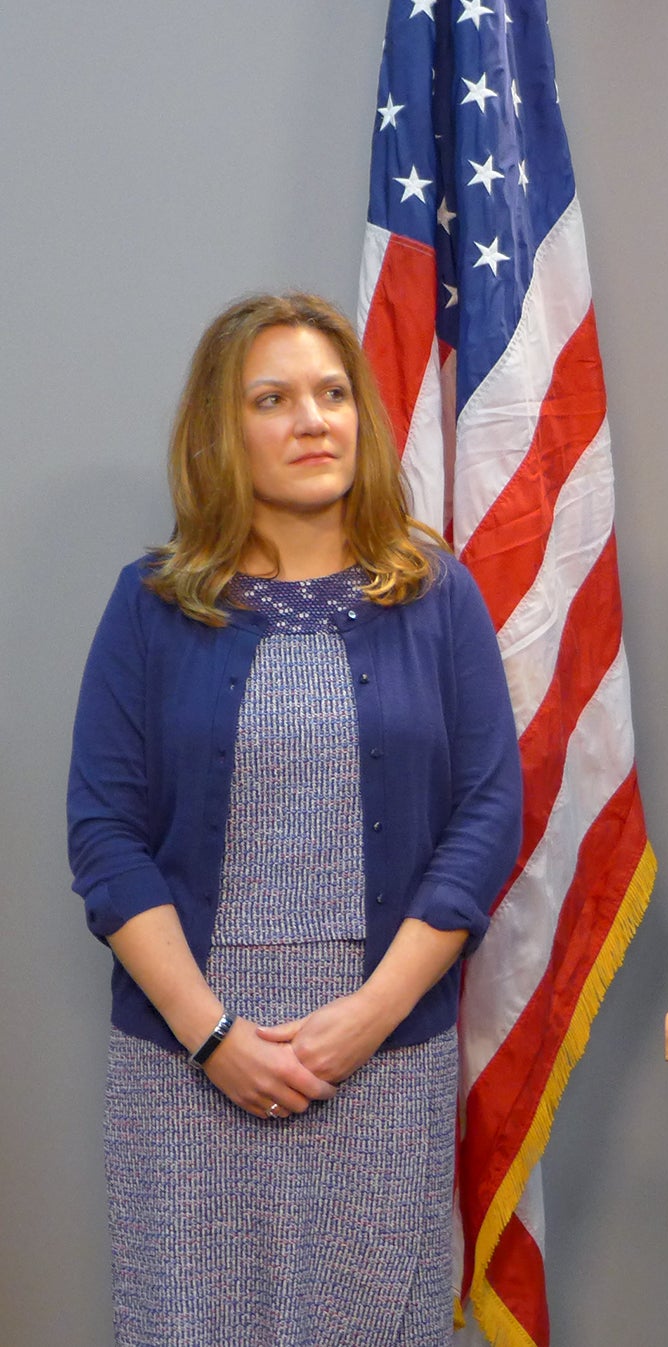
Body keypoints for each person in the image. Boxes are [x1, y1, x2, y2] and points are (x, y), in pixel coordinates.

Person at [68, 292, 524, 1344]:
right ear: (221, 436)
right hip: (185, 1061)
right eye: (272, 399)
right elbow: (104, 835)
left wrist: (367, 1018)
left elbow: (486, 816)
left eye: (330, 394)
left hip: (382, 1045)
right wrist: (212, 1033)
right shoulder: (149, 605)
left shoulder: (437, 595)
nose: (311, 420)